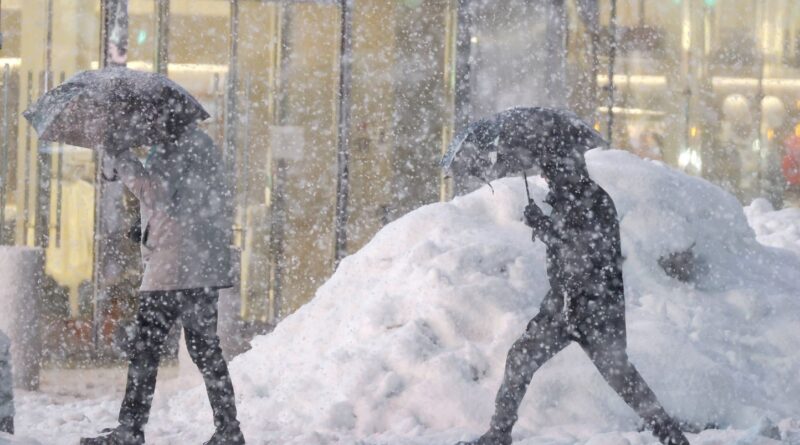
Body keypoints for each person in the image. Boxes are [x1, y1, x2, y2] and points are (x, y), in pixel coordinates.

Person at [458, 146, 690, 445]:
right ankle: (499, 433)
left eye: (547, 169)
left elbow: (580, 251)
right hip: (564, 303)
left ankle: (671, 437)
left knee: (622, 378)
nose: (543, 175)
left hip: (595, 307)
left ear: (563, 169)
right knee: (521, 357)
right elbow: (567, 245)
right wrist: (545, 223)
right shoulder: (570, 197)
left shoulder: (592, 200)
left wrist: (543, 225)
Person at [81, 124, 243, 445]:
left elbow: (157, 192)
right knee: (204, 349)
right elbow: (187, 201)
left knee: (146, 350)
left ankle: (130, 429)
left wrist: (124, 161)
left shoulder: (176, 145)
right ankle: (228, 429)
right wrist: (143, 224)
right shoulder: (198, 142)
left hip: (175, 267)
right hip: (199, 265)